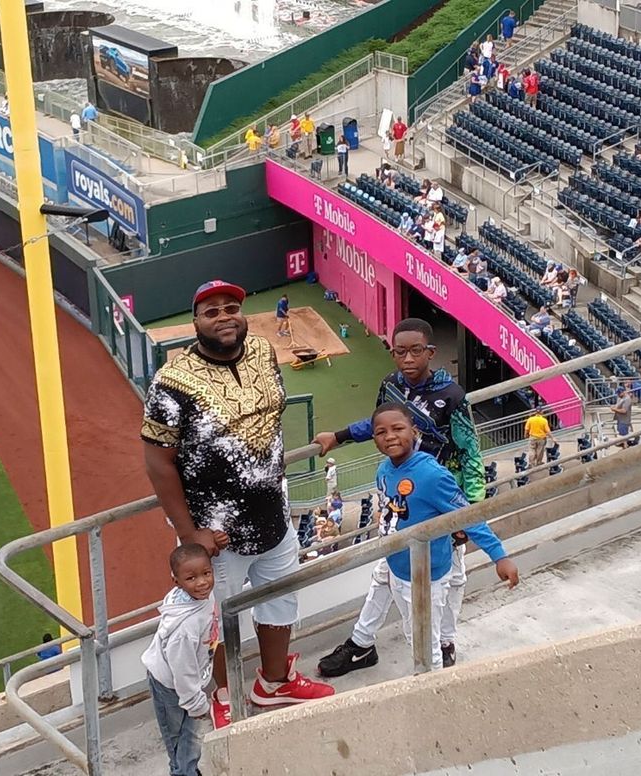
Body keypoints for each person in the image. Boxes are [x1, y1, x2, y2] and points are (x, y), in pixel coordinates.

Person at [142, 280, 333, 728]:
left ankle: (273, 682)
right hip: (215, 533)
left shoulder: (264, 352)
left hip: (274, 515)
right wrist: (191, 535)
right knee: (218, 618)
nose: (224, 316)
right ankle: (225, 692)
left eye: (232, 307)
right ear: (195, 322)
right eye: (212, 311)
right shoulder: (171, 381)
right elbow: (157, 463)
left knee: (280, 602)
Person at [313, 318, 493, 670]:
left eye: (415, 351)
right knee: (386, 572)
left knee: (452, 576)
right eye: (400, 351)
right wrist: (340, 435)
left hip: (442, 500)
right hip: (402, 499)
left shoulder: (451, 396)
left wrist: (468, 513)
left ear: (430, 352)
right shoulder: (390, 384)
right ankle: (362, 643)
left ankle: (444, 642)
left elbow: (470, 454)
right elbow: (380, 421)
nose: (407, 358)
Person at [320, 404, 517, 672]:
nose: (390, 436)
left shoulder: (432, 476)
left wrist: (499, 556)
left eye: (398, 429)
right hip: (396, 566)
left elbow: (468, 516)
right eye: (381, 432)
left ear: (414, 432)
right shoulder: (384, 470)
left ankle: (431, 690)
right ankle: (367, 648)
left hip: (426, 578)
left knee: (424, 643)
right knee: (413, 631)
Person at [141, 543, 218, 776]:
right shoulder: (184, 630)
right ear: (177, 582)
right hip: (170, 685)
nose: (202, 582)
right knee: (180, 737)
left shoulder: (200, 597)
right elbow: (182, 671)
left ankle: (187, 769)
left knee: (190, 734)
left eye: (206, 573)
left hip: (186, 681)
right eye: (191, 578)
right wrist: (196, 703)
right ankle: (183, 772)